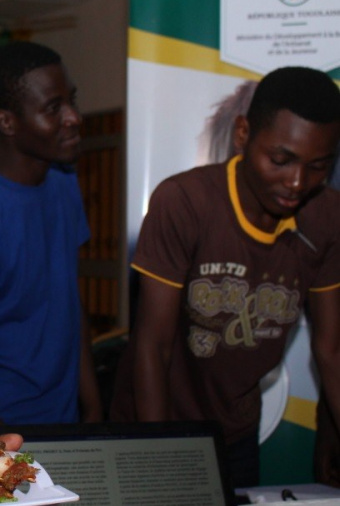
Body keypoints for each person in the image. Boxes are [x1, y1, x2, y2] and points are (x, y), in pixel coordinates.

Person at [109, 66, 340, 488]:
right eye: (281, 159)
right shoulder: (184, 202)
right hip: (155, 424)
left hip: (234, 431)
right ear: (242, 134)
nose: (296, 182)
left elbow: (332, 350)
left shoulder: (327, 218)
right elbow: (152, 345)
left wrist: (331, 434)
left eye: (318, 166)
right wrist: (160, 456)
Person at [0, 41, 103, 430]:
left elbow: (67, 299)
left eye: (72, 101)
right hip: (4, 433)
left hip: (64, 425)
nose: (74, 117)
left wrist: (93, 405)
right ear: (7, 122)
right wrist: (5, 447)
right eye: (53, 108)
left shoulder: (63, 182)